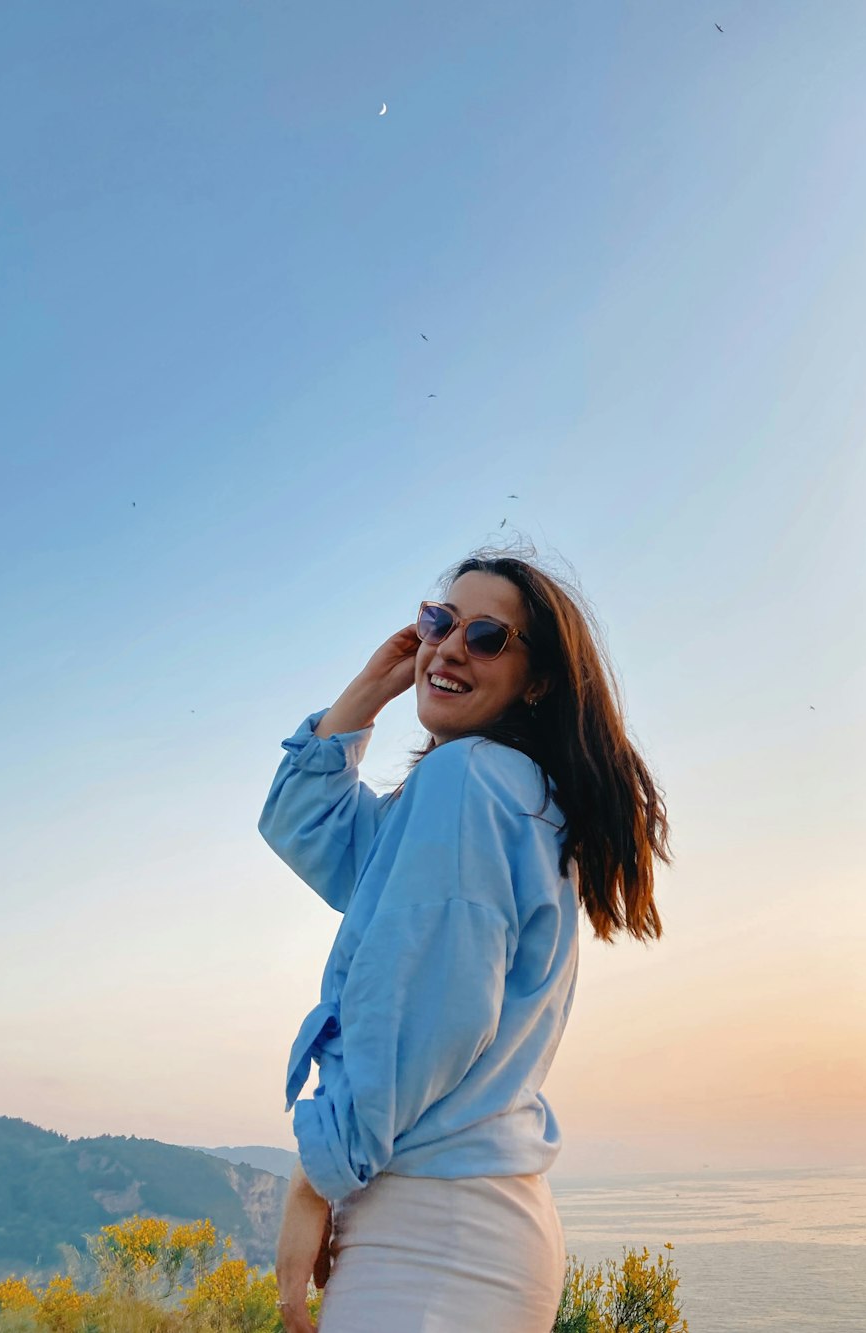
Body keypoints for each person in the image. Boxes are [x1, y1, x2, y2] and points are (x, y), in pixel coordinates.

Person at [258, 551, 672, 1333]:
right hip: (464, 1228)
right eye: (437, 622)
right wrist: (376, 685)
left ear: (538, 680)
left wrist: (314, 1179)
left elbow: (421, 1019)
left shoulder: (468, 784)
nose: (449, 647)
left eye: (486, 636)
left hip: (432, 1241)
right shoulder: (504, 796)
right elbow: (303, 824)